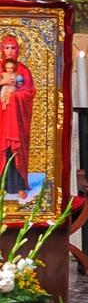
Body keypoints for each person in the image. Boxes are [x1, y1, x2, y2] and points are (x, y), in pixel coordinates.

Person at [0, 33, 34, 198]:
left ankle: (19, 185)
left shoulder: (23, 70)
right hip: (1, 118)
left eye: (13, 48)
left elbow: (29, 92)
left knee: (15, 150)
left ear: (18, 50)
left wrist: (14, 96)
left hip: (16, 119)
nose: (10, 51)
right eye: (6, 47)